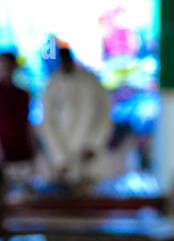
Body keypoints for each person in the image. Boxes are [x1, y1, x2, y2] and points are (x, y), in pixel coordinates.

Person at [40, 47, 112, 184]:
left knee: (91, 190)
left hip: (90, 151)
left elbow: (104, 113)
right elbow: (48, 123)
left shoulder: (91, 80)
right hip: (63, 154)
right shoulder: (52, 85)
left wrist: (94, 144)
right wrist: (60, 157)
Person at [0, 52, 35, 172]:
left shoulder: (22, 94)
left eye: (8, 66)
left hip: (23, 152)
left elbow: (27, 124)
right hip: (4, 153)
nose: (5, 70)